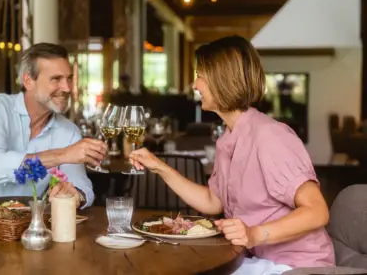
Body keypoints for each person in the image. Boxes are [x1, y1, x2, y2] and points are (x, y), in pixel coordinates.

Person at [129, 36, 334, 274]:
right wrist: (159, 167)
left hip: (295, 266)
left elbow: (318, 211)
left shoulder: (269, 136)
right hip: (257, 260)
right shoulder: (229, 138)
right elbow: (212, 201)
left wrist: (254, 234)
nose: (195, 85)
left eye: (200, 76)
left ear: (222, 80)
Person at [0, 43, 107, 213]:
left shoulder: (69, 132)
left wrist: (77, 195)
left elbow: (82, 187)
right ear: (28, 80)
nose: (67, 88)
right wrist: (64, 154)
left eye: (69, 78)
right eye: (56, 79)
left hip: (22, 230)